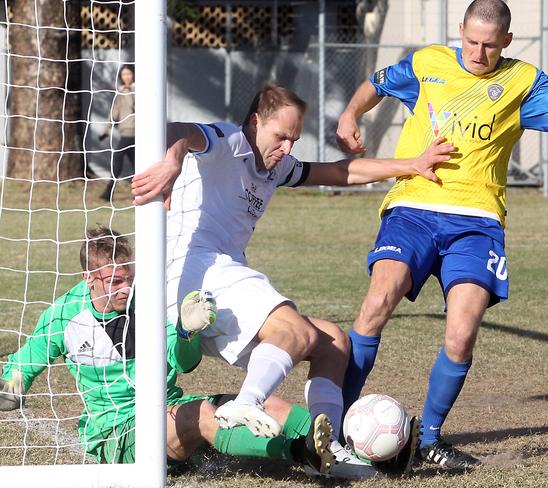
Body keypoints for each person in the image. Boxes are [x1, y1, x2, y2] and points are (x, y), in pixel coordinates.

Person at [335, 0, 548, 472]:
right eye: (471, 41)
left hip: (477, 221)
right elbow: (378, 83)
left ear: (506, 42)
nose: (477, 52)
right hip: (413, 207)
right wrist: (350, 115)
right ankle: (332, 429)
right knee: (376, 303)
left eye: (489, 45)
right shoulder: (430, 62)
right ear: (461, 32)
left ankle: (428, 440)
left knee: (462, 333)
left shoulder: (522, 82)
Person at [130, 82, 455, 478]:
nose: (287, 147)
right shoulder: (229, 140)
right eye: (280, 136)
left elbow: (337, 171)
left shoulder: (277, 165)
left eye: (294, 139)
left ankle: (328, 450)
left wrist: (412, 164)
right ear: (255, 122)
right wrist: (174, 159)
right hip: (194, 273)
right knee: (296, 331)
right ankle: (246, 402)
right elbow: (174, 131)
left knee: (333, 341)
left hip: (217, 289)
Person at [0, 225, 334, 476]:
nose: (125, 287)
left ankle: (344, 446)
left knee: (269, 405)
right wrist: (8, 391)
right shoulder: (64, 316)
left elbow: (183, 363)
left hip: (167, 408)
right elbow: (23, 365)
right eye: (114, 281)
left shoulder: (150, 298)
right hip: (116, 433)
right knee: (203, 414)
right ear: (88, 277)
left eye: (129, 277)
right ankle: (299, 453)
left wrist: (186, 332)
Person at [99, 65, 136, 201]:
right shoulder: (121, 91)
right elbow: (114, 112)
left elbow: (133, 106)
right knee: (127, 163)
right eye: (124, 74)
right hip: (125, 132)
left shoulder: (137, 90)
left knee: (121, 160)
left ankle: (109, 193)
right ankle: (109, 193)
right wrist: (106, 130)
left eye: (129, 74)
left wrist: (128, 92)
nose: (126, 77)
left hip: (136, 133)